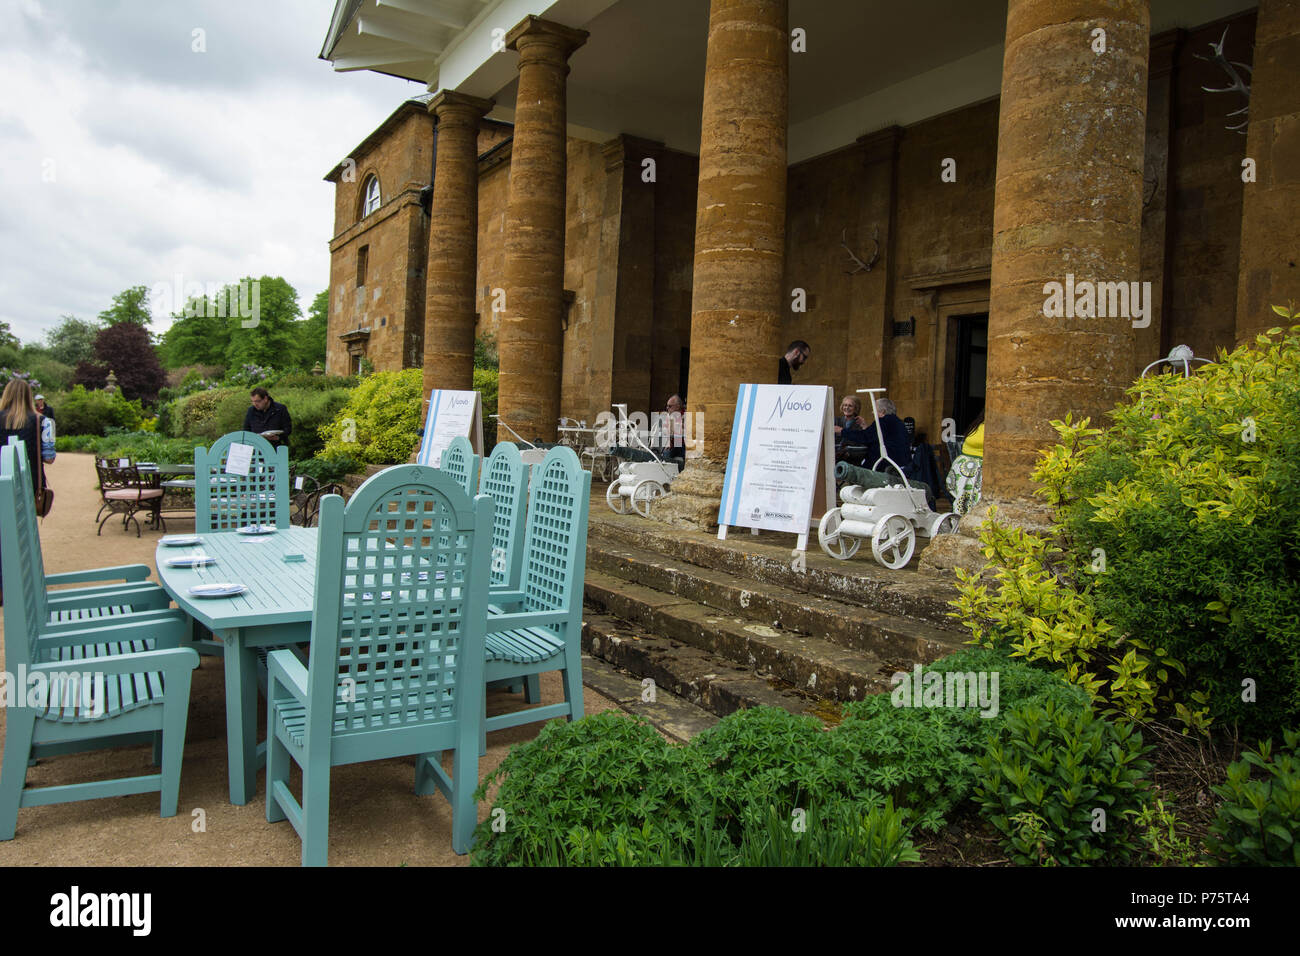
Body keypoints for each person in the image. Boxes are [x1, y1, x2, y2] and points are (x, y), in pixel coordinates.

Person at [0, 379, 43, 604]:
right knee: (23, 533)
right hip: (26, 484)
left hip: (0, 481)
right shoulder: (38, 420)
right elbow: (49, 456)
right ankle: (22, 581)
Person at [839, 396, 911, 472]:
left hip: (884, 464)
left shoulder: (883, 421)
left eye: (874, 410)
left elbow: (865, 437)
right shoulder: (897, 422)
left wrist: (842, 431)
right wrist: (864, 426)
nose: (872, 412)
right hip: (901, 463)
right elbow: (874, 437)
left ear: (882, 412)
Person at [946, 412, 984, 515]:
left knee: (966, 501)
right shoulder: (979, 426)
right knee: (964, 500)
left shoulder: (977, 426)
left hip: (970, 469)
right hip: (968, 470)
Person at [656, 394, 687, 467]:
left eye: (670, 406)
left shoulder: (687, 415)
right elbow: (666, 430)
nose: (667, 408)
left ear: (678, 406)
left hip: (684, 444)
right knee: (665, 455)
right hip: (673, 443)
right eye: (667, 406)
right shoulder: (669, 416)